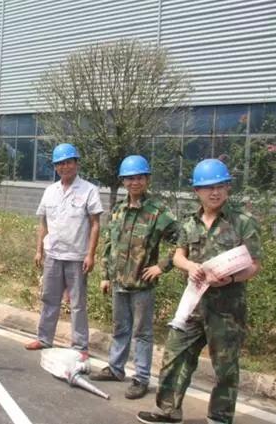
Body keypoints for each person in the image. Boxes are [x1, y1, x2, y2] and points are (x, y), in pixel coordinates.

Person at [137, 159, 262, 424]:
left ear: (228, 188)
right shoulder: (189, 223)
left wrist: (230, 279)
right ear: (197, 191)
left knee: (225, 368)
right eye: (208, 187)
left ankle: (219, 418)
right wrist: (190, 266)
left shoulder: (243, 222)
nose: (214, 192)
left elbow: (253, 265)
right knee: (174, 355)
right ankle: (168, 411)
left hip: (227, 309)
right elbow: (178, 255)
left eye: (220, 186)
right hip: (193, 304)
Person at [89, 155, 179, 400]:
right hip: (119, 281)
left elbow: (183, 241)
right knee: (120, 328)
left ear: (147, 179)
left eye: (139, 177)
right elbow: (110, 244)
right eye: (129, 178)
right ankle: (116, 368)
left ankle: (141, 378)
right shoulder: (118, 209)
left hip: (142, 284)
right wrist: (105, 276)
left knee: (142, 333)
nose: (134, 182)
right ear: (123, 181)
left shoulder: (158, 212)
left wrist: (162, 266)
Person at [25, 143, 104, 353]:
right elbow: (43, 223)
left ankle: (80, 346)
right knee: (49, 299)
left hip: (77, 256)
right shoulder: (50, 191)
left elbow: (95, 224)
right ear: (55, 167)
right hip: (53, 254)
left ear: (76, 164)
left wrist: (91, 254)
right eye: (60, 164)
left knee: (77, 303)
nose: (64, 167)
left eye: (68, 162)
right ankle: (44, 338)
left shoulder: (89, 190)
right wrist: (39, 250)